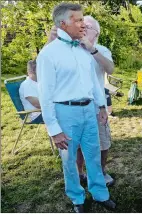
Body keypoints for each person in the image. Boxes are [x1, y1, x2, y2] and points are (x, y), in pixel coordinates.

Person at [36, 3, 115, 212]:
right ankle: (77, 198)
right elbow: (45, 94)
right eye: (78, 20)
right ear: (63, 23)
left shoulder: (83, 50)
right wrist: (54, 129)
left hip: (90, 111)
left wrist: (101, 106)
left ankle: (100, 193)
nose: (83, 24)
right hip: (65, 112)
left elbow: (93, 83)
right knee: (69, 160)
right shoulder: (48, 54)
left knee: (93, 154)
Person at [76, 15, 115, 187]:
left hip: (97, 106)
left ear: (96, 33)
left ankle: (101, 171)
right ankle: (79, 173)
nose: (82, 27)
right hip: (74, 107)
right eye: (81, 24)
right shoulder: (71, 48)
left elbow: (110, 69)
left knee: (103, 142)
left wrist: (91, 49)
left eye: (87, 26)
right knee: (76, 143)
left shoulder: (102, 49)